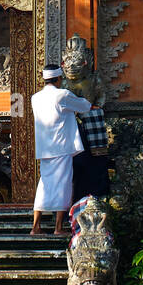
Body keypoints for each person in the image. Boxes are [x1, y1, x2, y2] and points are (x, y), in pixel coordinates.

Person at [30, 66, 92, 236]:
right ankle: (58, 227)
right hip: (61, 147)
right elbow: (84, 106)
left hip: (45, 149)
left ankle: (36, 226)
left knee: (44, 185)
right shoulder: (62, 95)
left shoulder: (35, 98)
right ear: (58, 79)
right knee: (63, 186)